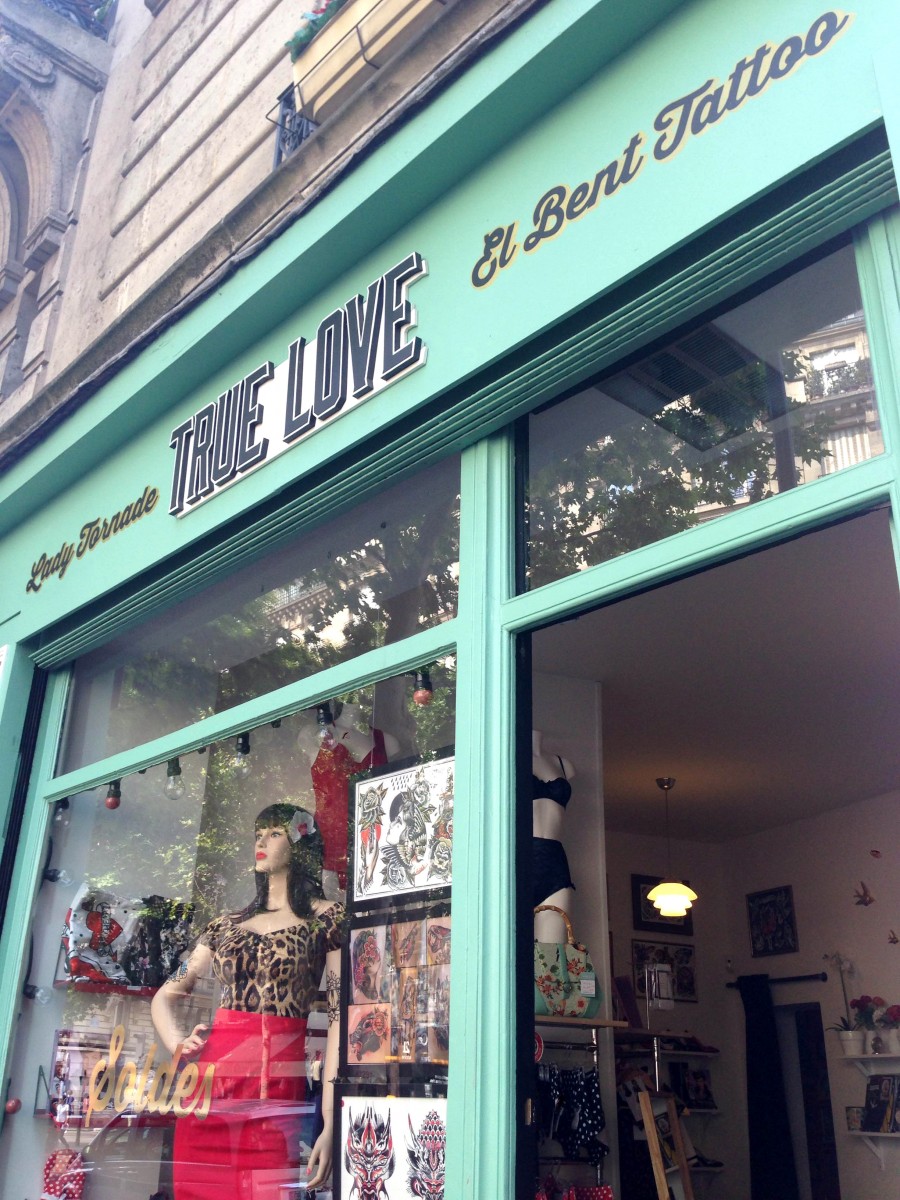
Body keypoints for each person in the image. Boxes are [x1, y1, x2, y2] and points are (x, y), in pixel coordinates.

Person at [150, 803, 345, 1199]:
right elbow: (165, 995)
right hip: (208, 1092)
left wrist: (329, 1119)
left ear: (300, 845)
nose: (262, 841)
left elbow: (340, 1018)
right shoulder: (224, 926)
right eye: (259, 834)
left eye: (274, 833)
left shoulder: (327, 919)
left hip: (274, 1094)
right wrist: (178, 1043)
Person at [532, 729, 576, 942]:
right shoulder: (506, 758)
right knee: (508, 948)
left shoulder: (564, 765)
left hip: (555, 861)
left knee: (551, 955)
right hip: (518, 860)